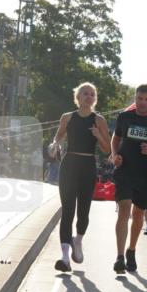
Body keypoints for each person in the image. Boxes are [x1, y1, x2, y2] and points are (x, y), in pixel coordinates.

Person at [49, 83, 111, 272]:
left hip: (88, 165)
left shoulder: (98, 120)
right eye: (85, 93)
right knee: (67, 211)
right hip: (69, 164)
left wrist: (98, 135)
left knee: (83, 211)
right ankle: (65, 258)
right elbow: (58, 137)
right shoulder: (67, 117)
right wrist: (54, 146)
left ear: (95, 99)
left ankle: (78, 240)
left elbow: (107, 149)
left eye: (92, 94)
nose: (88, 97)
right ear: (78, 97)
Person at [111, 84, 147, 273]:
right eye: (139, 98)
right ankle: (119, 256)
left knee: (138, 214)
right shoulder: (125, 117)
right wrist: (115, 155)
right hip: (125, 170)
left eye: (146, 99)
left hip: (146, 173)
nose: (142, 102)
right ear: (135, 98)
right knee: (124, 210)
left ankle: (131, 250)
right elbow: (116, 138)